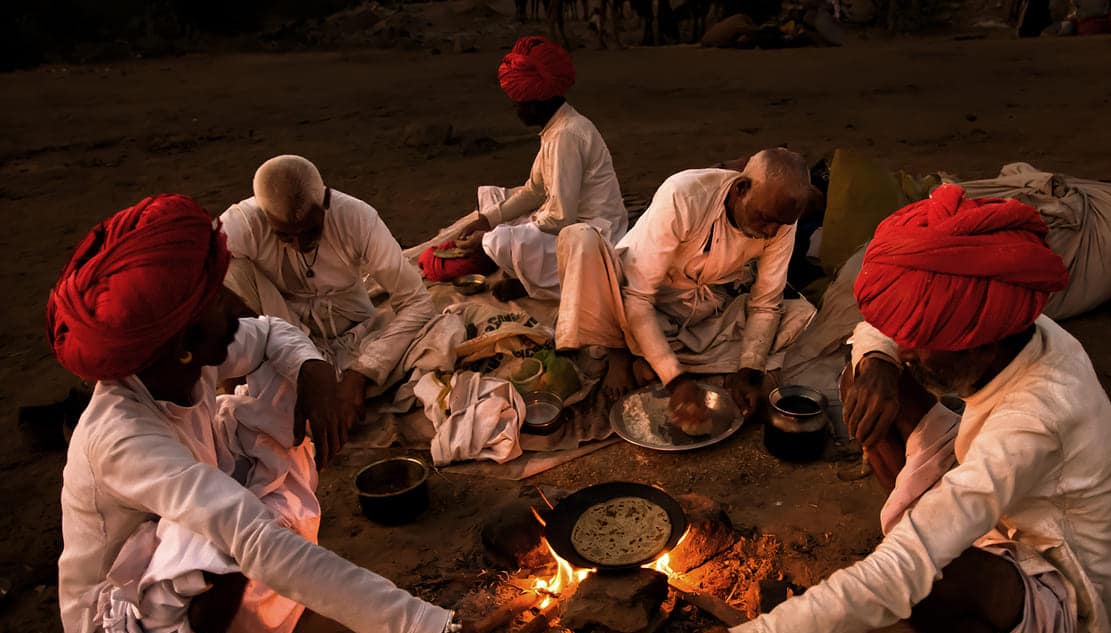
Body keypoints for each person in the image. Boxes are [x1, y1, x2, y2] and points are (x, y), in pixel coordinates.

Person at [636, 185, 1111, 633]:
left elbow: (902, 572)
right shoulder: (1012, 325)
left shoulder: (1035, 420)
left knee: (923, 582)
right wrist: (878, 359)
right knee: (867, 381)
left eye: (929, 344)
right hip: (1002, 495)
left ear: (978, 343)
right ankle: (923, 536)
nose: (914, 352)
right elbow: (883, 323)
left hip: (1062, 572)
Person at [50, 195, 539, 633]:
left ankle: (248, 612)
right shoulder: (122, 436)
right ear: (182, 344)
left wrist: (315, 373)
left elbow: (270, 334)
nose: (236, 305)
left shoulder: (178, 366)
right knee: (211, 536)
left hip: (216, 540)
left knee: (284, 383)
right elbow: (248, 538)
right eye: (217, 296)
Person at [555, 147, 818, 422]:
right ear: (741, 188)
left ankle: (652, 359)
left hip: (701, 310)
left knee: (803, 316)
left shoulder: (780, 219)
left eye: (781, 224)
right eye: (764, 219)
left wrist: (749, 370)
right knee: (581, 239)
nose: (770, 232)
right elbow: (638, 299)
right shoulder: (684, 194)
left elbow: (766, 303)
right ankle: (620, 354)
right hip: (633, 301)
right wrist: (676, 381)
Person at [222, 155, 447, 431]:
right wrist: (240, 365)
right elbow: (196, 276)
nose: (299, 244)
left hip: (359, 334)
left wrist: (362, 372)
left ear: (326, 200)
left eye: (310, 232)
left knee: (446, 330)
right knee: (224, 269)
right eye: (284, 236)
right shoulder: (243, 222)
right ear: (264, 215)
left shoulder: (357, 217)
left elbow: (416, 301)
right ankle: (256, 390)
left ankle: (334, 387)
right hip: (285, 335)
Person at [454, 35, 627, 302]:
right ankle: (528, 273)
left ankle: (544, 284)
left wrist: (491, 235)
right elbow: (535, 190)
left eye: (517, 104)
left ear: (534, 103)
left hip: (594, 238)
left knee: (498, 242)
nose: (515, 110)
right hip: (570, 221)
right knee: (494, 202)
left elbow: (560, 218)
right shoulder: (557, 126)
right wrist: (487, 220)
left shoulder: (565, 136)